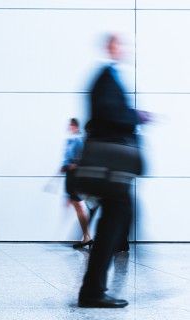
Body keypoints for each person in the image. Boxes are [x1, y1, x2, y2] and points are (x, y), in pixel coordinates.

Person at [78, 34, 149, 308]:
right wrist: (136, 116)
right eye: (119, 44)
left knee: (118, 218)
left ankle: (93, 289)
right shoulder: (105, 76)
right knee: (115, 220)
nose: (124, 49)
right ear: (110, 47)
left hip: (110, 168)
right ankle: (92, 291)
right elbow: (109, 114)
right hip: (111, 167)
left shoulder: (107, 76)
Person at [61, 118, 93, 249]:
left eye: (70, 125)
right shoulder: (71, 140)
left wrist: (71, 166)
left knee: (79, 206)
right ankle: (86, 236)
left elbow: (81, 160)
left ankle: (87, 237)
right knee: (77, 206)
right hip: (70, 176)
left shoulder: (78, 140)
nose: (69, 127)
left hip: (75, 176)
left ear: (75, 126)